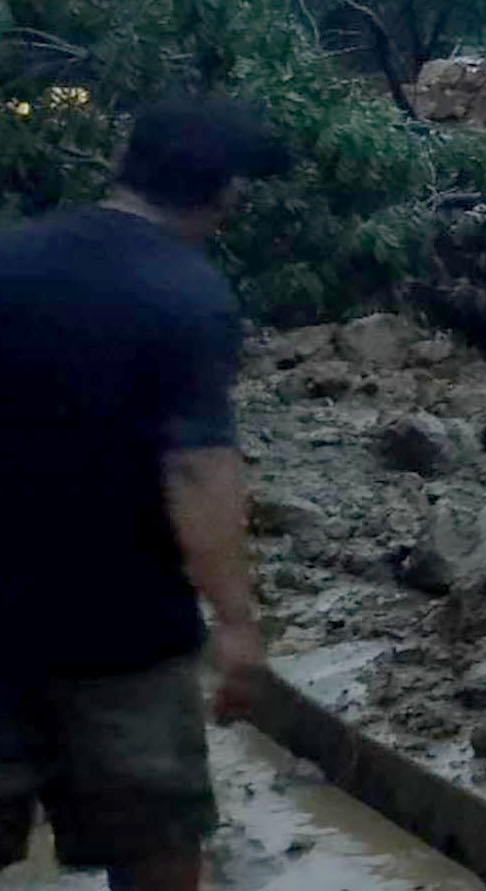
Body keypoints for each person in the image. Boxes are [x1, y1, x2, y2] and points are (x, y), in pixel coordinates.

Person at [0, 97, 291, 891]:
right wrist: (236, 622)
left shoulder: (11, 259)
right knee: (157, 847)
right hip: (123, 637)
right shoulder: (187, 296)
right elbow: (197, 470)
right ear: (227, 192)